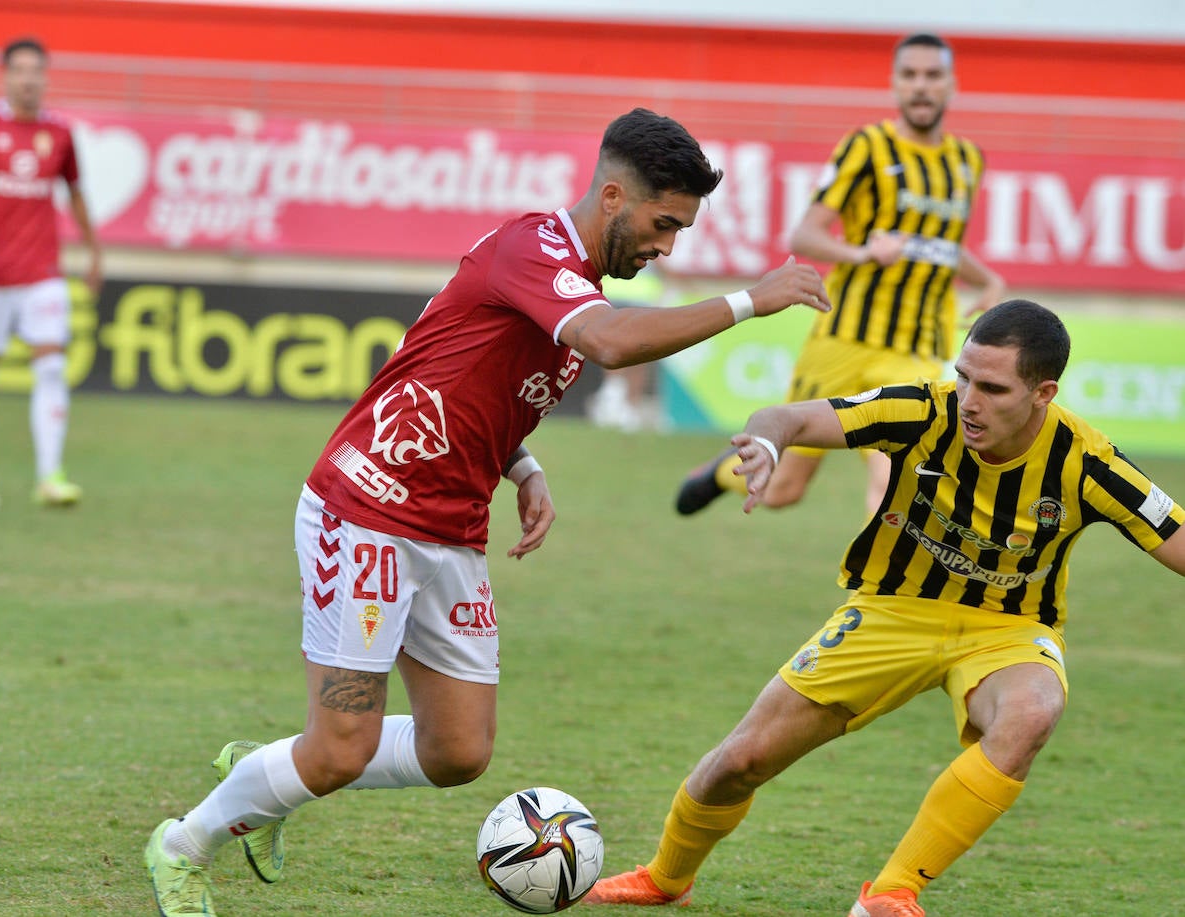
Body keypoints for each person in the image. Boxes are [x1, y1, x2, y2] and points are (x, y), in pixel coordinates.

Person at [142, 108, 831, 917]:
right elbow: (611, 342)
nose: (667, 246)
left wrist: (523, 463)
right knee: (340, 748)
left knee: (458, 750)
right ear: (613, 195)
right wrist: (752, 300)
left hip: (451, 529)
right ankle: (184, 844)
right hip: (367, 512)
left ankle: (267, 769)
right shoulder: (534, 248)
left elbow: (454, 360)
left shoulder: (576, 286)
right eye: (662, 223)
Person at [587, 299, 1185, 916]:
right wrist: (768, 442)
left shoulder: (1087, 461)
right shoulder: (923, 409)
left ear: (1043, 391)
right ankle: (666, 878)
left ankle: (891, 894)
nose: (969, 399)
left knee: (1033, 711)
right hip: (892, 610)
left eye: (992, 387)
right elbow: (785, 415)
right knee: (739, 762)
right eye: (964, 377)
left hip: (1008, 629)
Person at [675, 32, 1005, 519]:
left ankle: (879, 593)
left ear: (951, 85)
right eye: (910, 75)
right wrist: (864, 252)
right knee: (783, 490)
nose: (921, 86)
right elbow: (804, 236)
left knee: (898, 476)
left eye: (932, 76)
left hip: (915, 350)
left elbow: (941, 244)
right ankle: (723, 472)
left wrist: (990, 281)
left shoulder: (966, 161)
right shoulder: (867, 147)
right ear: (895, 84)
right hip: (844, 339)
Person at [0, 37, 102, 510]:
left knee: (51, 366)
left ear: (46, 77)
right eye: (20, 70)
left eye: (37, 71)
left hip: (41, 273)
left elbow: (74, 193)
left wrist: (94, 250)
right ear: (6, 75)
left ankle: (50, 475)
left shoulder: (59, 132)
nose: (29, 79)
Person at [586, 267, 666, 432]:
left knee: (635, 350)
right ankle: (616, 401)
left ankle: (625, 405)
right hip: (628, 296)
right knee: (625, 348)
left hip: (635, 296)